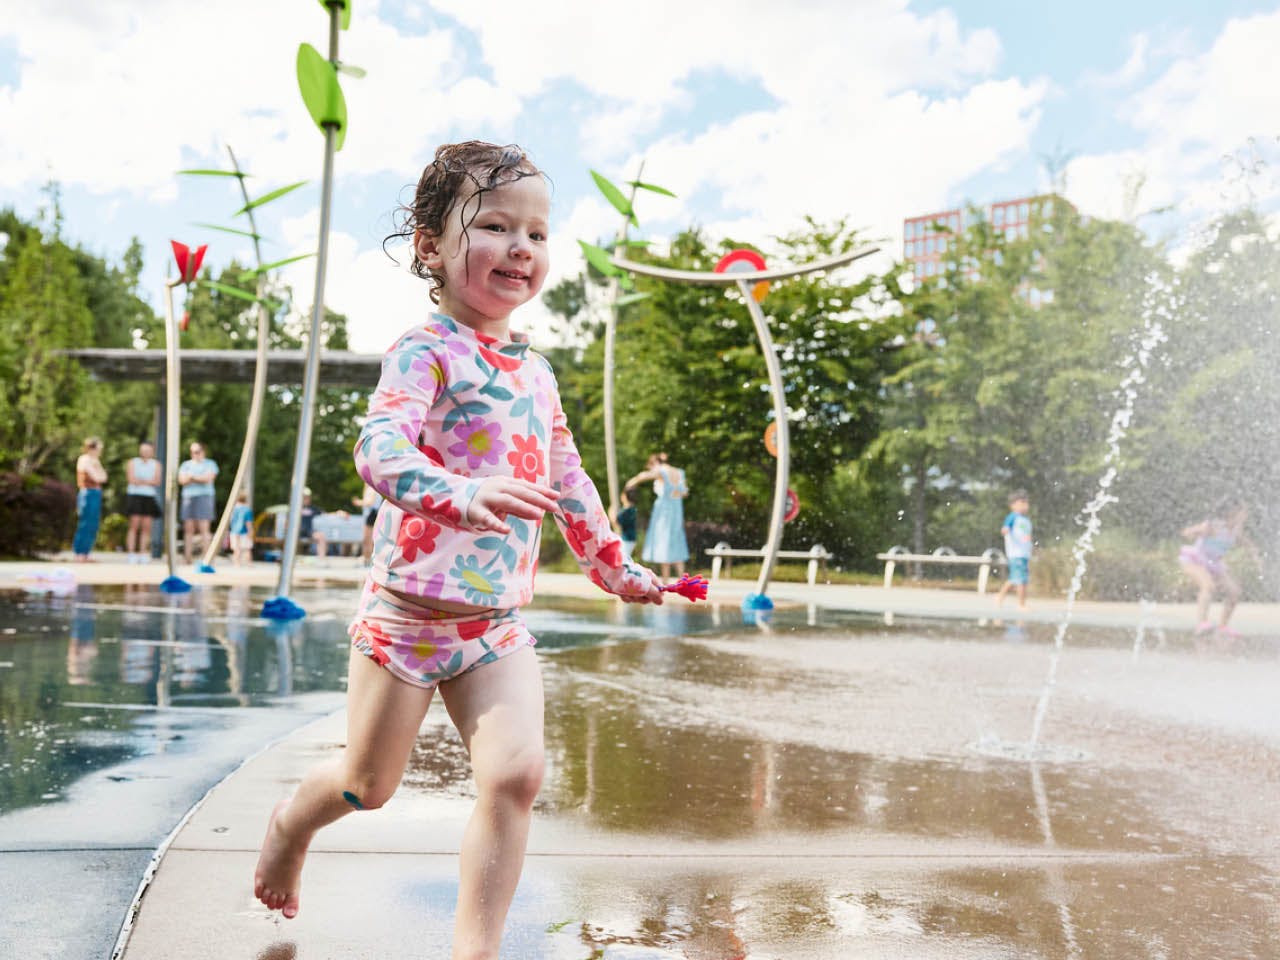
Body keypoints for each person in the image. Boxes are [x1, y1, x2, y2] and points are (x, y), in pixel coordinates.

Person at [251, 141, 665, 954]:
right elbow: (379, 450)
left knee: (517, 776)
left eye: (538, 234)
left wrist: (610, 560)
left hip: (493, 626)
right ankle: (291, 827)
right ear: (431, 249)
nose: (522, 247)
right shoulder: (425, 350)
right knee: (365, 787)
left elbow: (567, 475)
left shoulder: (536, 374)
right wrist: (464, 492)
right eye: (498, 226)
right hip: (406, 618)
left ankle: (475, 951)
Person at [1178, 500, 1257, 637]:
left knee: (1234, 592)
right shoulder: (1213, 526)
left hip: (1214, 564)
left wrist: (1254, 554)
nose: (1245, 515)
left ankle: (1223, 626)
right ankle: (1202, 624)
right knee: (1208, 586)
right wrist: (1194, 532)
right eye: (1243, 512)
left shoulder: (1236, 530)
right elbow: (1186, 532)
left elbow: (1246, 542)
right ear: (1232, 513)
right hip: (1195, 560)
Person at [626, 452, 689, 579]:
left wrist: (631, 483)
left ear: (656, 463)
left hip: (664, 512)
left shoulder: (661, 471)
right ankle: (684, 580)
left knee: (663, 542)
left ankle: (665, 581)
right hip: (677, 510)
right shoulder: (679, 472)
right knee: (676, 542)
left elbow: (645, 475)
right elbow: (685, 493)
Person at [178, 442, 219, 564]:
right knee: (188, 529)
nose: (194, 454)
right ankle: (188, 558)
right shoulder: (186, 465)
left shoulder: (210, 464)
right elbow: (182, 480)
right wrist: (198, 478)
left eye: (197, 451)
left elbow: (208, 479)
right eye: (192, 452)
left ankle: (207, 558)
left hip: (205, 497)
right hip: (188, 498)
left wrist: (191, 478)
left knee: (204, 528)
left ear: (203, 451)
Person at [124, 441, 161, 564]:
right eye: (144, 450)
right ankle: (131, 553)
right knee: (134, 526)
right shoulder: (132, 462)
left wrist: (140, 481)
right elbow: (131, 479)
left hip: (148, 497)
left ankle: (143, 553)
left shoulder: (156, 464)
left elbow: (156, 481)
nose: (145, 453)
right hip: (134, 496)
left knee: (146, 527)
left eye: (148, 450)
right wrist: (147, 481)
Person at [995, 489, 1033, 609]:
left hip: (1024, 554)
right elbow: (1005, 528)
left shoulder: (1026, 520)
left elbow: (1027, 537)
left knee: (1016, 579)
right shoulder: (1013, 517)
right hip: (1015, 553)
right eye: (1022, 502)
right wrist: (1005, 530)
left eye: (1027, 503)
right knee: (1020, 580)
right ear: (1013, 505)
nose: (1025, 505)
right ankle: (1021, 604)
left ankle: (1000, 597)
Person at [72, 437, 108, 562]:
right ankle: (79, 553)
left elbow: (104, 477)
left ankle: (86, 553)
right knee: (85, 523)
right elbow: (97, 478)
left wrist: (99, 471)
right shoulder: (84, 459)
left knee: (93, 524)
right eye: (99, 448)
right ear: (91, 448)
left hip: (96, 493)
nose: (100, 451)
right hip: (88, 493)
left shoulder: (95, 461)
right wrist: (99, 472)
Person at [353, 484, 383, 564]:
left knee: (368, 539)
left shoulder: (373, 488)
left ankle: (369, 558)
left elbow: (370, 502)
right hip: (370, 515)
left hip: (372, 514)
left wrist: (358, 502)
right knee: (367, 539)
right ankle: (367, 558)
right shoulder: (370, 488)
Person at [229, 492, 255, 567]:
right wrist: (251, 531)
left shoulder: (233, 509)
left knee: (236, 548)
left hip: (234, 531)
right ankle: (249, 563)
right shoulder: (247, 510)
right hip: (244, 531)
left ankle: (237, 563)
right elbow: (248, 522)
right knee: (247, 548)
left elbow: (231, 520)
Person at [614, 487, 638, 558]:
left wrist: (612, 515)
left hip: (627, 539)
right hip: (630, 539)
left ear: (624, 497)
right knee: (624, 559)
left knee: (623, 560)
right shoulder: (632, 509)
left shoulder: (626, 511)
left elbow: (617, 523)